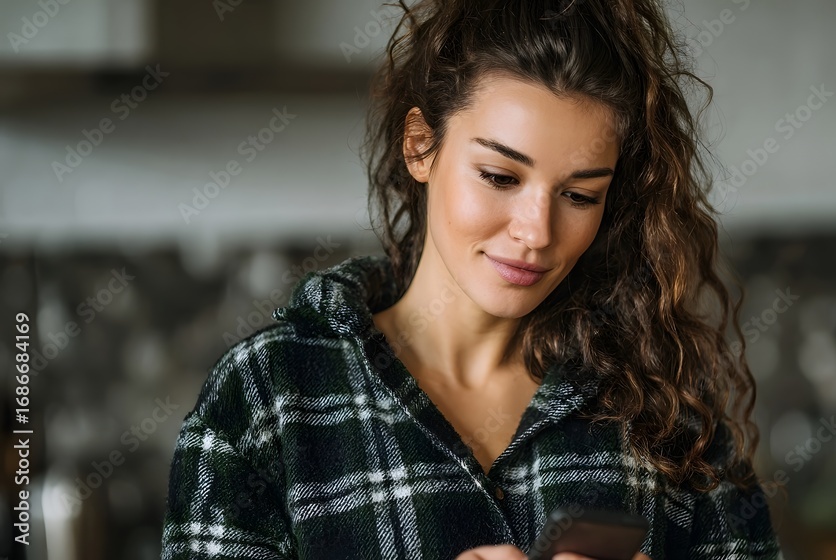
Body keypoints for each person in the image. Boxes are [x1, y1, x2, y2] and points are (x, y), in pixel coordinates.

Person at [161, 0, 784, 558]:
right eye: (500, 177)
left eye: (579, 194)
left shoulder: (664, 407)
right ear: (420, 146)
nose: (537, 231)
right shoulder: (267, 399)